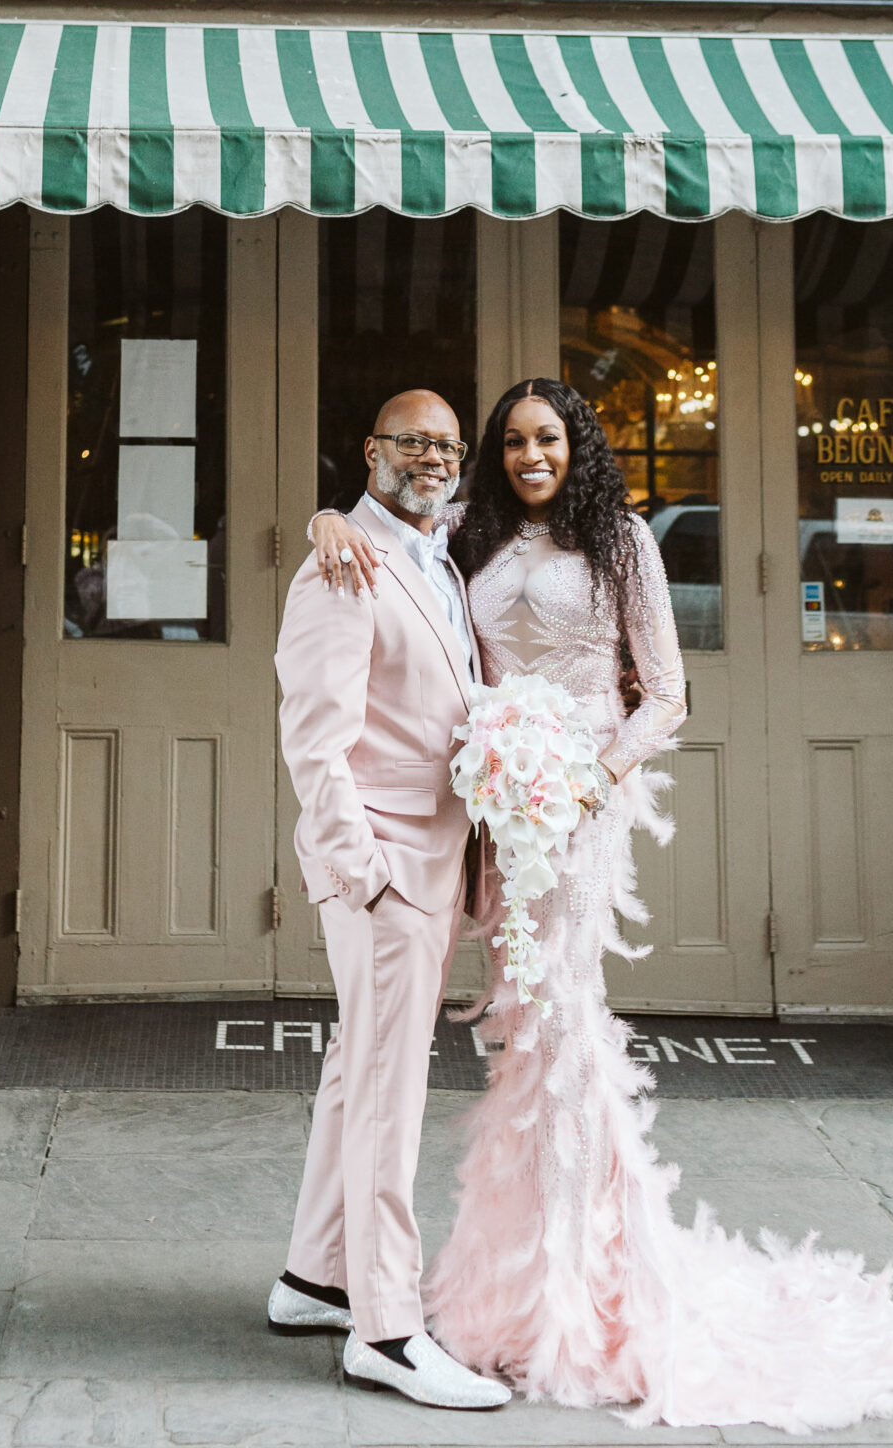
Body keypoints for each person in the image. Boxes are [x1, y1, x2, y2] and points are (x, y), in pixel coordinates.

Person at [309, 376, 893, 1432]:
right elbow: (393, 539)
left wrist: (584, 774)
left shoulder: (622, 540)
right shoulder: (470, 534)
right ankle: (508, 1287)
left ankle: (586, 1291)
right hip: (486, 814)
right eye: (513, 440)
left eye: (550, 437)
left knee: (562, 1019)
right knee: (512, 1033)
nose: (531, 455)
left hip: (571, 809)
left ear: (580, 446)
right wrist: (324, 520)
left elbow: (664, 692)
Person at [270, 390, 511, 1413]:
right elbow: (313, 741)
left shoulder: (439, 554)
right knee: (388, 1096)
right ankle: (388, 1328)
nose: (432, 457)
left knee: (355, 1073)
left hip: (435, 866)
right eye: (411, 441)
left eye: (447, 444)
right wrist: (362, 872)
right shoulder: (342, 564)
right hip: (386, 875)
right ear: (371, 453)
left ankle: (312, 1278)